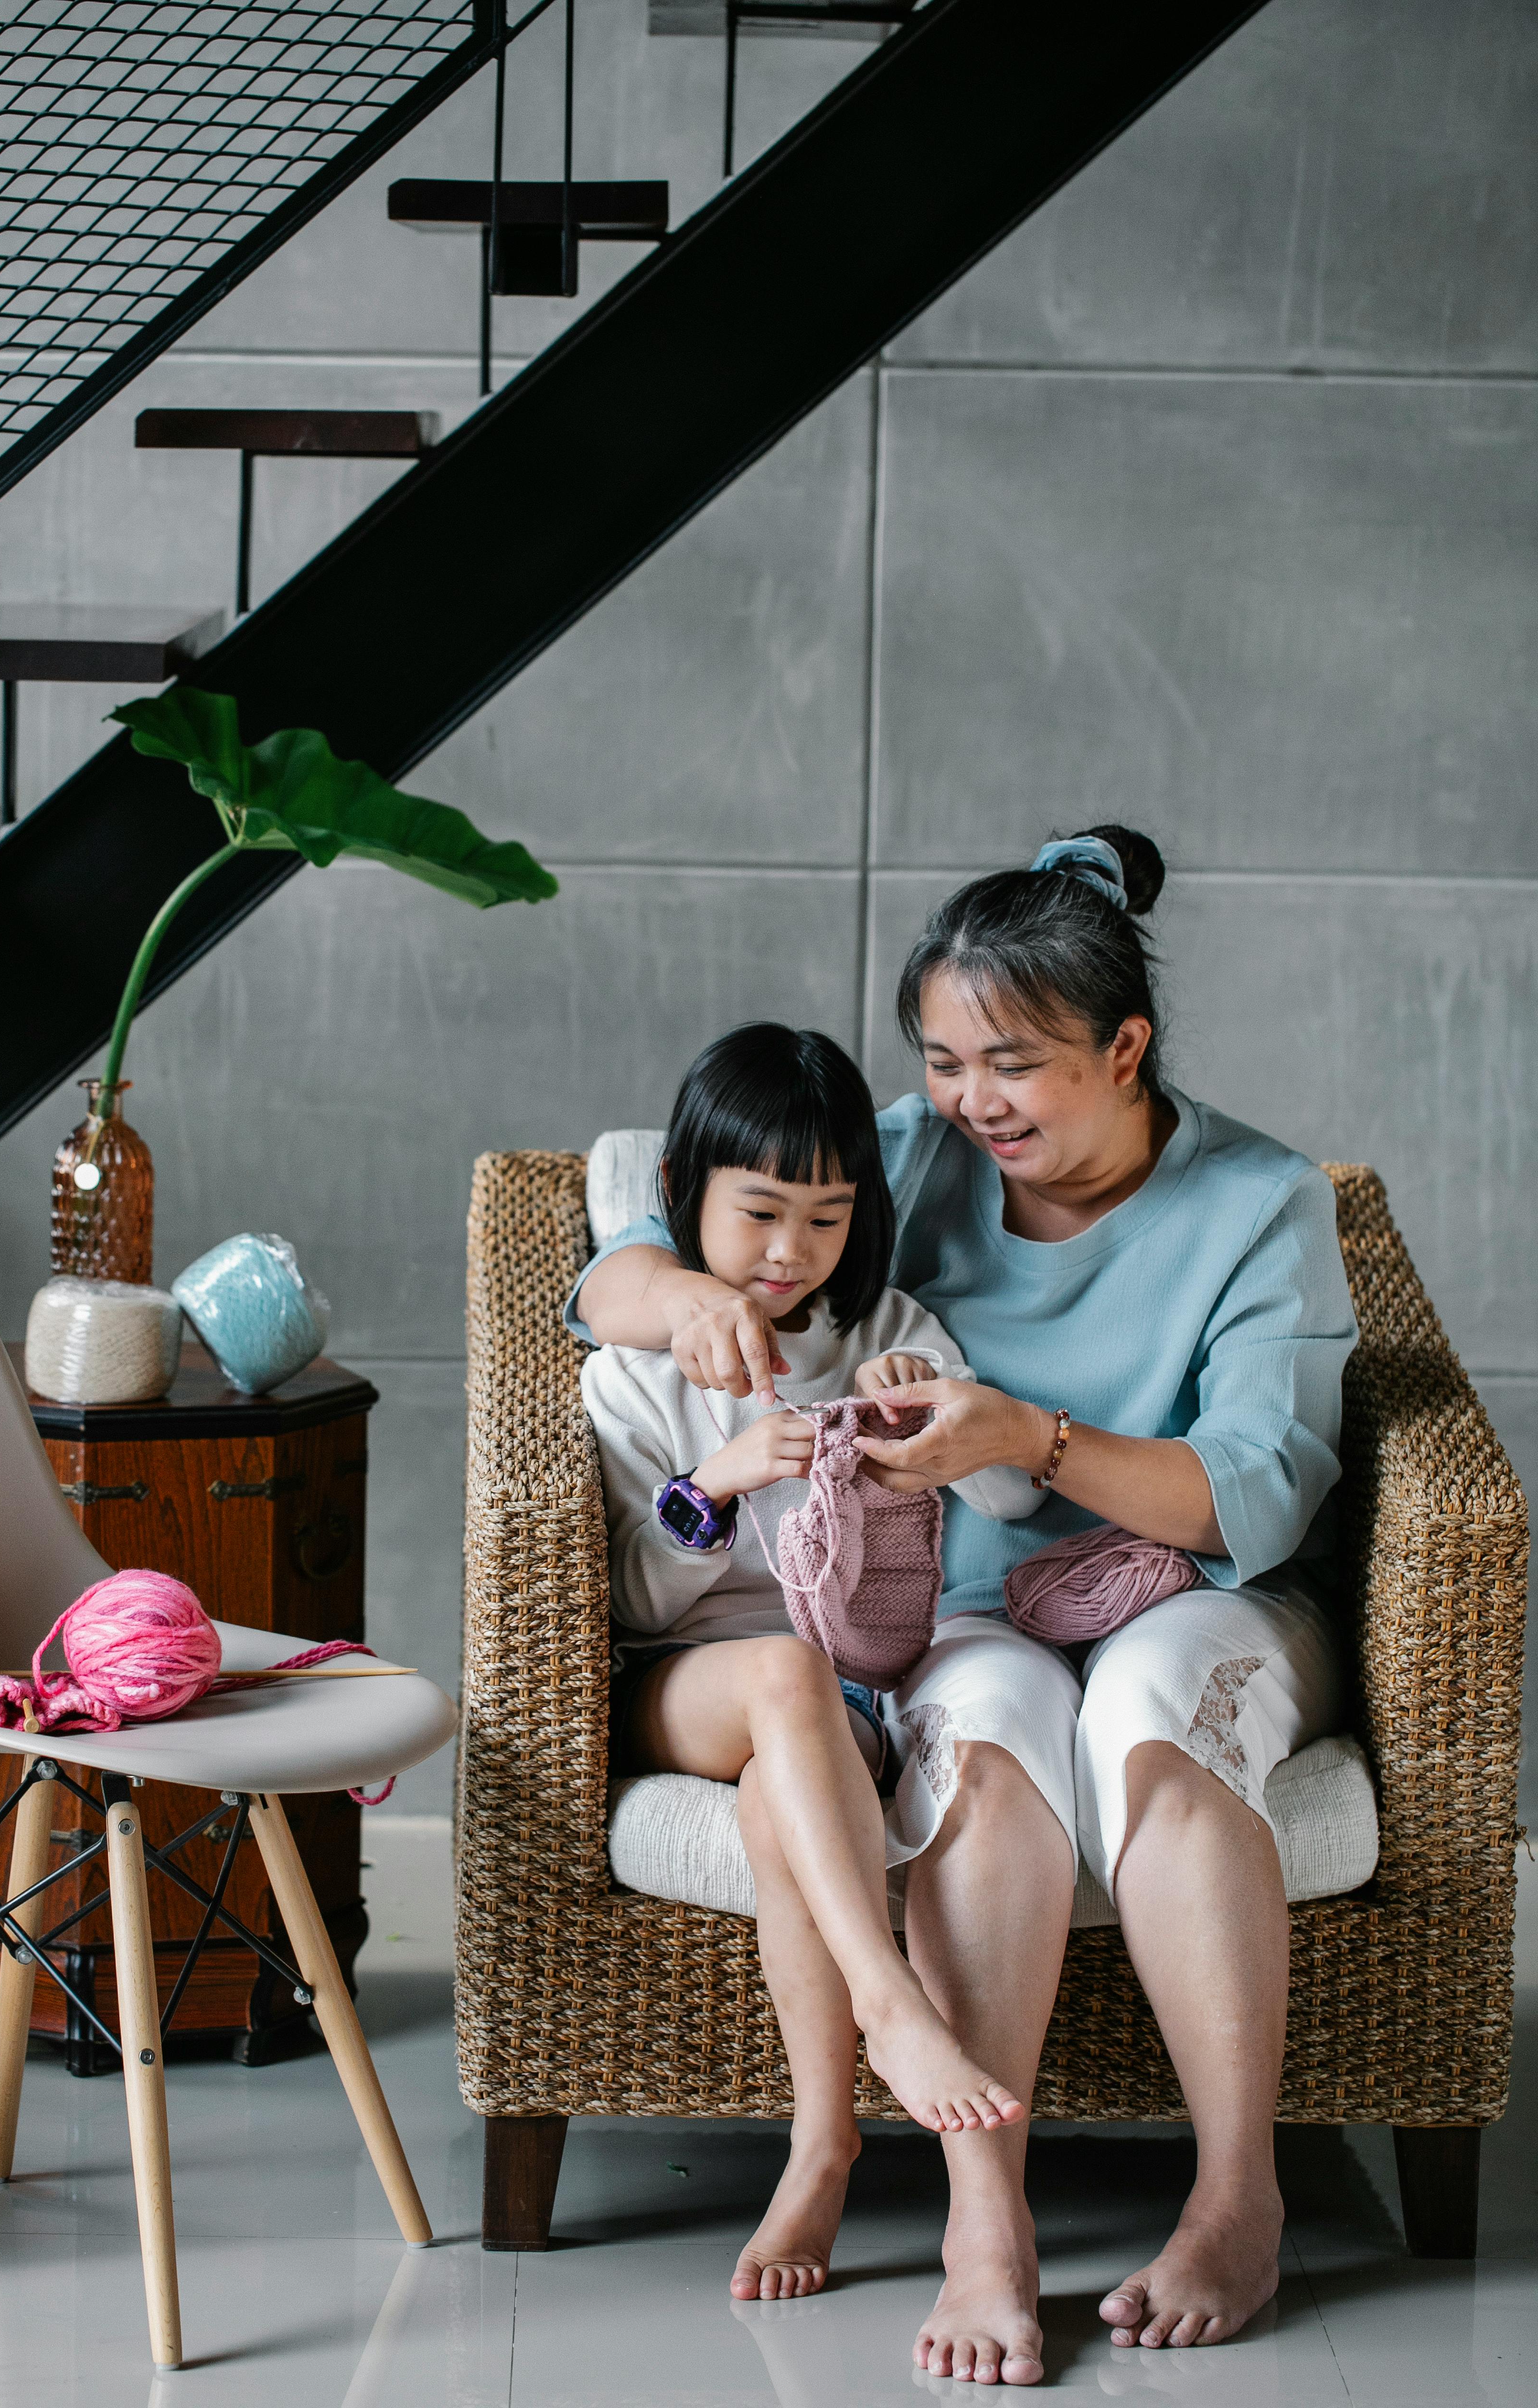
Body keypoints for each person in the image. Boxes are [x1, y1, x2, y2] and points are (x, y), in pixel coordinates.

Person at [569, 828, 1359, 2387]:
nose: (970, 1101)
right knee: (989, 1731)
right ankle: (983, 2217)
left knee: (1140, 1720)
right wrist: (703, 1308)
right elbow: (643, 1248)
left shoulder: (1264, 1204)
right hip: (970, 1611)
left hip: (1195, 1592)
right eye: (941, 1062)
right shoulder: (916, 1158)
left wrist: (1035, 1441)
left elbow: (1259, 1493)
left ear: (1125, 1050)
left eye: (1014, 1063)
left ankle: (1235, 2199)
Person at [584, 1021, 1046, 2302]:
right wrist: (713, 1488)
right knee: (786, 1680)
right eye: (762, 1213)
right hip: (686, 1682)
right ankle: (893, 2013)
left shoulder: (889, 1327)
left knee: (805, 1787)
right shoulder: (634, 1372)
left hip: (844, 1699)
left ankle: (824, 2146)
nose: (793, 1253)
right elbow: (626, 1596)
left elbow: (1011, 1500)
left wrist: (935, 1422)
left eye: (829, 1218)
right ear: (685, 1196)